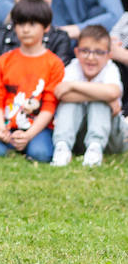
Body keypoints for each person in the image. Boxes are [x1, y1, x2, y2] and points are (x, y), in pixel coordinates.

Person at [0, 0, 64, 162]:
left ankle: (28, 143)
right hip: (7, 126)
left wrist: (29, 135)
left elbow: (50, 105)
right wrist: (0, 129)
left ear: (46, 27)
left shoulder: (54, 63)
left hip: (39, 128)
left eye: (32, 24)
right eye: (20, 24)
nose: (26, 30)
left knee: (40, 155)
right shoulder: (3, 61)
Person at [51, 24, 125, 167]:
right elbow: (63, 95)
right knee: (88, 99)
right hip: (79, 135)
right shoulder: (73, 67)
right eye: (85, 51)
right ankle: (62, 147)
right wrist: (102, 94)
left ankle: (95, 149)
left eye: (98, 52)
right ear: (77, 52)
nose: (91, 57)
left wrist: (73, 85)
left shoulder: (110, 69)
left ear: (109, 55)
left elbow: (113, 92)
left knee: (100, 102)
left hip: (111, 139)